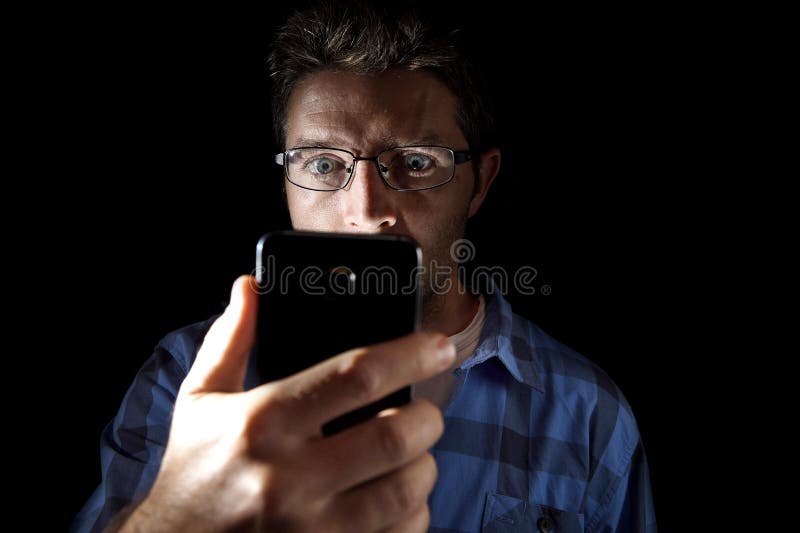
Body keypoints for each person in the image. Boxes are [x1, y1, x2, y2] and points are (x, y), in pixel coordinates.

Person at [73, 1, 657, 531]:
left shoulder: (589, 416)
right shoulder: (185, 379)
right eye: (324, 165)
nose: (366, 213)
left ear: (480, 183)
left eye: (415, 162)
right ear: (285, 182)